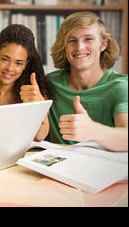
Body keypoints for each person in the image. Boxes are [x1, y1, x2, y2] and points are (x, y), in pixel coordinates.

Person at [48, 11, 127, 151]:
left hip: (103, 168)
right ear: (64, 47)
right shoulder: (51, 84)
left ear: (103, 44)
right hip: (57, 166)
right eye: (72, 40)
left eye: (88, 39)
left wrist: (92, 130)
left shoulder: (120, 87)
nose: (79, 47)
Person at [0, 24, 51, 141]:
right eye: (5, 59)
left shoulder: (32, 91)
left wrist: (38, 104)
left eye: (19, 63)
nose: (10, 68)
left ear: (26, 64)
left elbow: (40, 136)